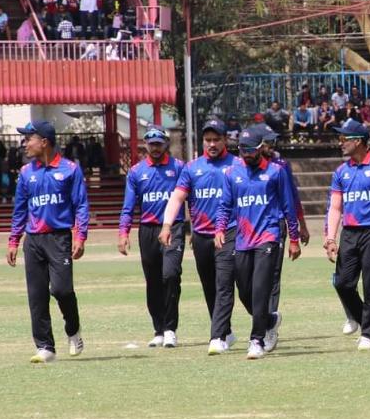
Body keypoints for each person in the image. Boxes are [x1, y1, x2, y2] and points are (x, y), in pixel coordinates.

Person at [214, 127, 301, 360]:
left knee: (260, 289)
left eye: (251, 149)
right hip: (242, 240)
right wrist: (220, 228)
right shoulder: (232, 173)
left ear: (261, 147)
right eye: (243, 150)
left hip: (268, 237)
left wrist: (294, 238)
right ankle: (270, 320)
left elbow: (288, 206)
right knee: (244, 291)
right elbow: (225, 205)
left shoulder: (275, 172)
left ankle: (256, 340)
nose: (247, 154)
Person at [6, 120, 88, 364]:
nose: (25, 144)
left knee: (62, 290)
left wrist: (80, 235)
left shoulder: (70, 169)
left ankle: (73, 330)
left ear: (44, 141)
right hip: (33, 240)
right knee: (37, 295)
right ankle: (45, 347)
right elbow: (20, 209)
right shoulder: (25, 173)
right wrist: (13, 240)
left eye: (29, 138)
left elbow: (81, 205)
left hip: (59, 238)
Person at [160, 120, 239, 354]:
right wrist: (166, 225)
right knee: (210, 287)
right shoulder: (192, 168)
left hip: (228, 232)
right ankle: (226, 330)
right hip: (201, 236)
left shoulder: (236, 165)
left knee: (224, 284)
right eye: (208, 140)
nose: (212, 144)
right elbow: (177, 198)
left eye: (216, 139)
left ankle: (217, 336)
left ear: (225, 140)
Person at [118, 126, 186, 348]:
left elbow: (189, 198)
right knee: (153, 281)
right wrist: (123, 232)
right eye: (151, 143)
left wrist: (194, 227)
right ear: (145, 144)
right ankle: (159, 329)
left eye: (159, 143)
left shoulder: (178, 167)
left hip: (173, 227)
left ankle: (170, 329)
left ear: (166, 143)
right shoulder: (136, 171)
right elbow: (129, 206)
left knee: (171, 275)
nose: (155, 147)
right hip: (147, 230)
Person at [324, 119, 370, 350]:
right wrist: (331, 237)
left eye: (344, 139)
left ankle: (368, 335)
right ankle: (364, 320)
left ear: (359, 141)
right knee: (342, 283)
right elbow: (335, 207)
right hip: (349, 233)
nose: (340, 143)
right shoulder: (341, 171)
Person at [256, 125, 311, 316]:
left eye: (273, 142)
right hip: (250, 226)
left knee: (273, 274)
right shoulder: (242, 166)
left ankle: (269, 320)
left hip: (275, 224)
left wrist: (301, 226)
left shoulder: (281, 165)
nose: (272, 146)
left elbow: (292, 197)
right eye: (268, 142)